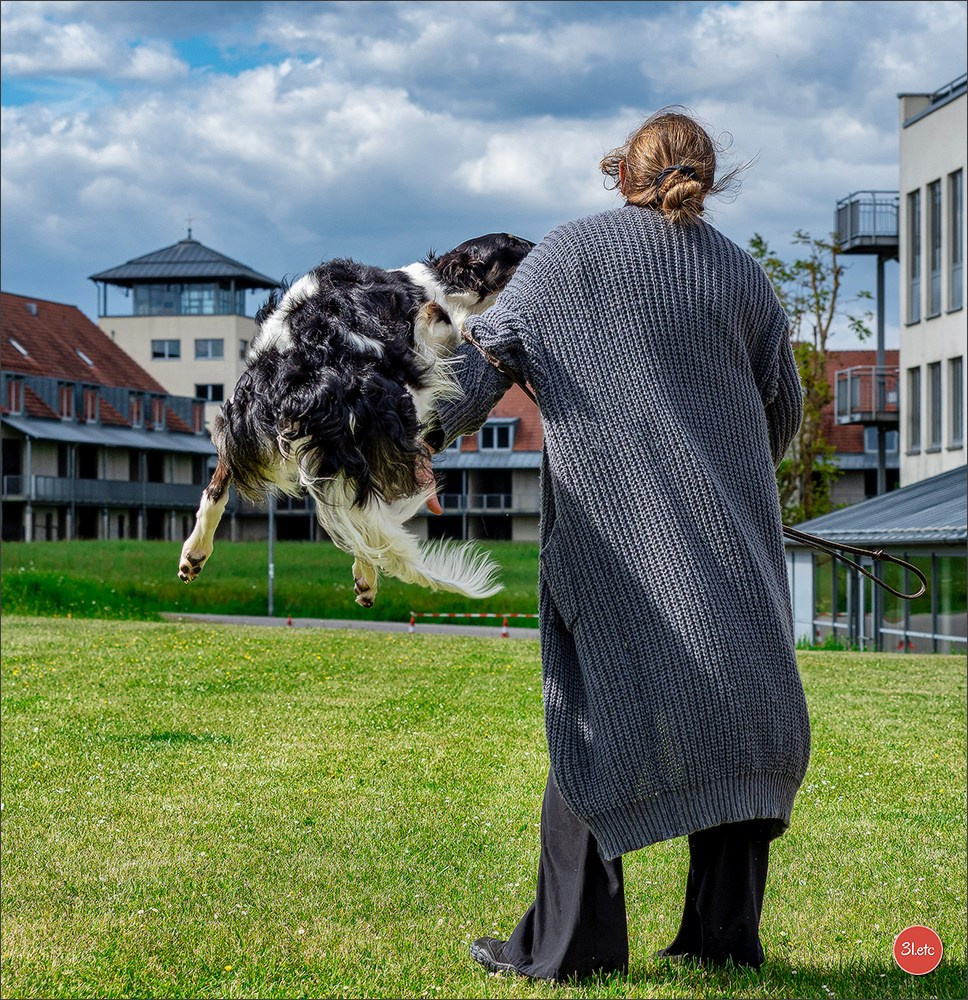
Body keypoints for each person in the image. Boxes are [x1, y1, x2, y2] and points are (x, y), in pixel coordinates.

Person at [422, 109, 811, 982]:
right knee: (745, 714)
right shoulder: (743, 277)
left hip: (618, 542)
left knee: (597, 719)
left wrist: (410, 440)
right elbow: (781, 410)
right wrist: (731, 470)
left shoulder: (562, 257)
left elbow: (476, 369)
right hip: (732, 536)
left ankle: (568, 949)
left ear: (618, 175)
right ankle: (723, 939)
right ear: (707, 181)